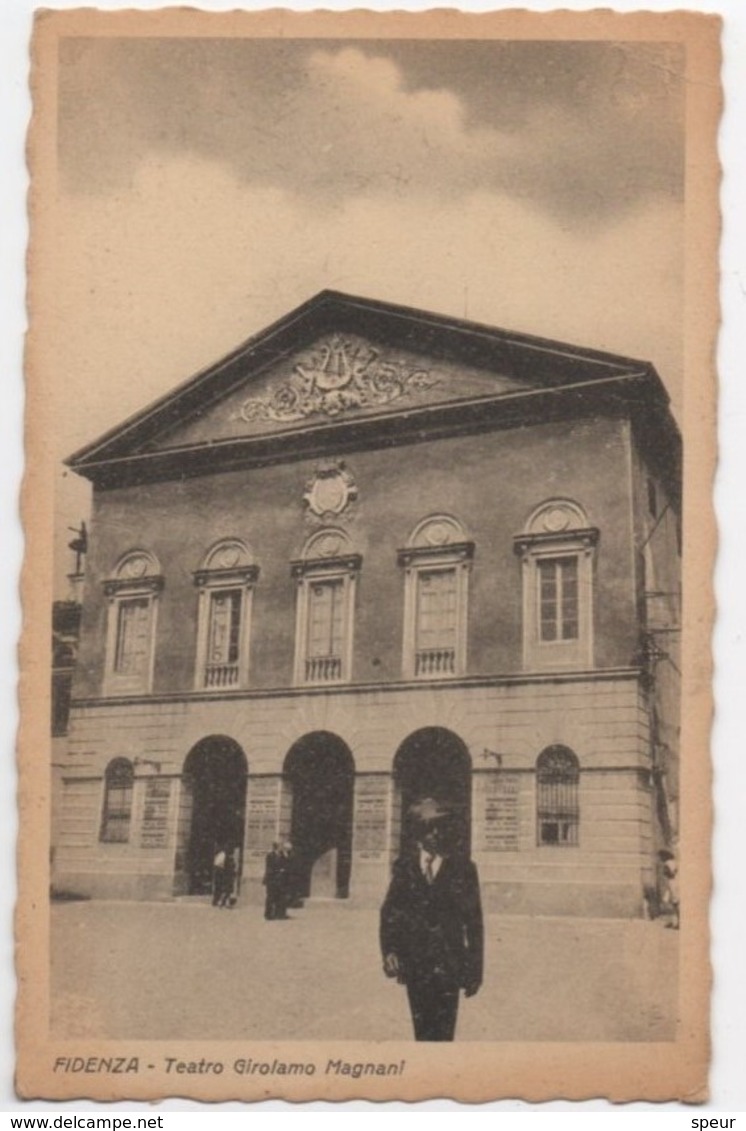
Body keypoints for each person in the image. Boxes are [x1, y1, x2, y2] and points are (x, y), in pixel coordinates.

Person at [380, 797, 483, 1041]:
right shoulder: (404, 866)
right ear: (418, 832)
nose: (436, 833)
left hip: (449, 965)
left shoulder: (463, 867)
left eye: (441, 826)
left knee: (444, 1034)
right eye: (429, 828)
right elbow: (390, 912)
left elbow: (474, 923)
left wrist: (475, 970)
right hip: (415, 965)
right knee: (422, 1032)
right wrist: (389, 951)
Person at [262, 841, 289, 920]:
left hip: (279, 880)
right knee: (270, 897)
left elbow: (286, 863)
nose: (282, 848)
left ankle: (279, 914)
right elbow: (269, 867)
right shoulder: (270, 855)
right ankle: (268, 914)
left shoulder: (282, 855)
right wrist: (278, 870)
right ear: (276, 847)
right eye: (280, 846)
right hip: (272, 879)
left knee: (279, 897)